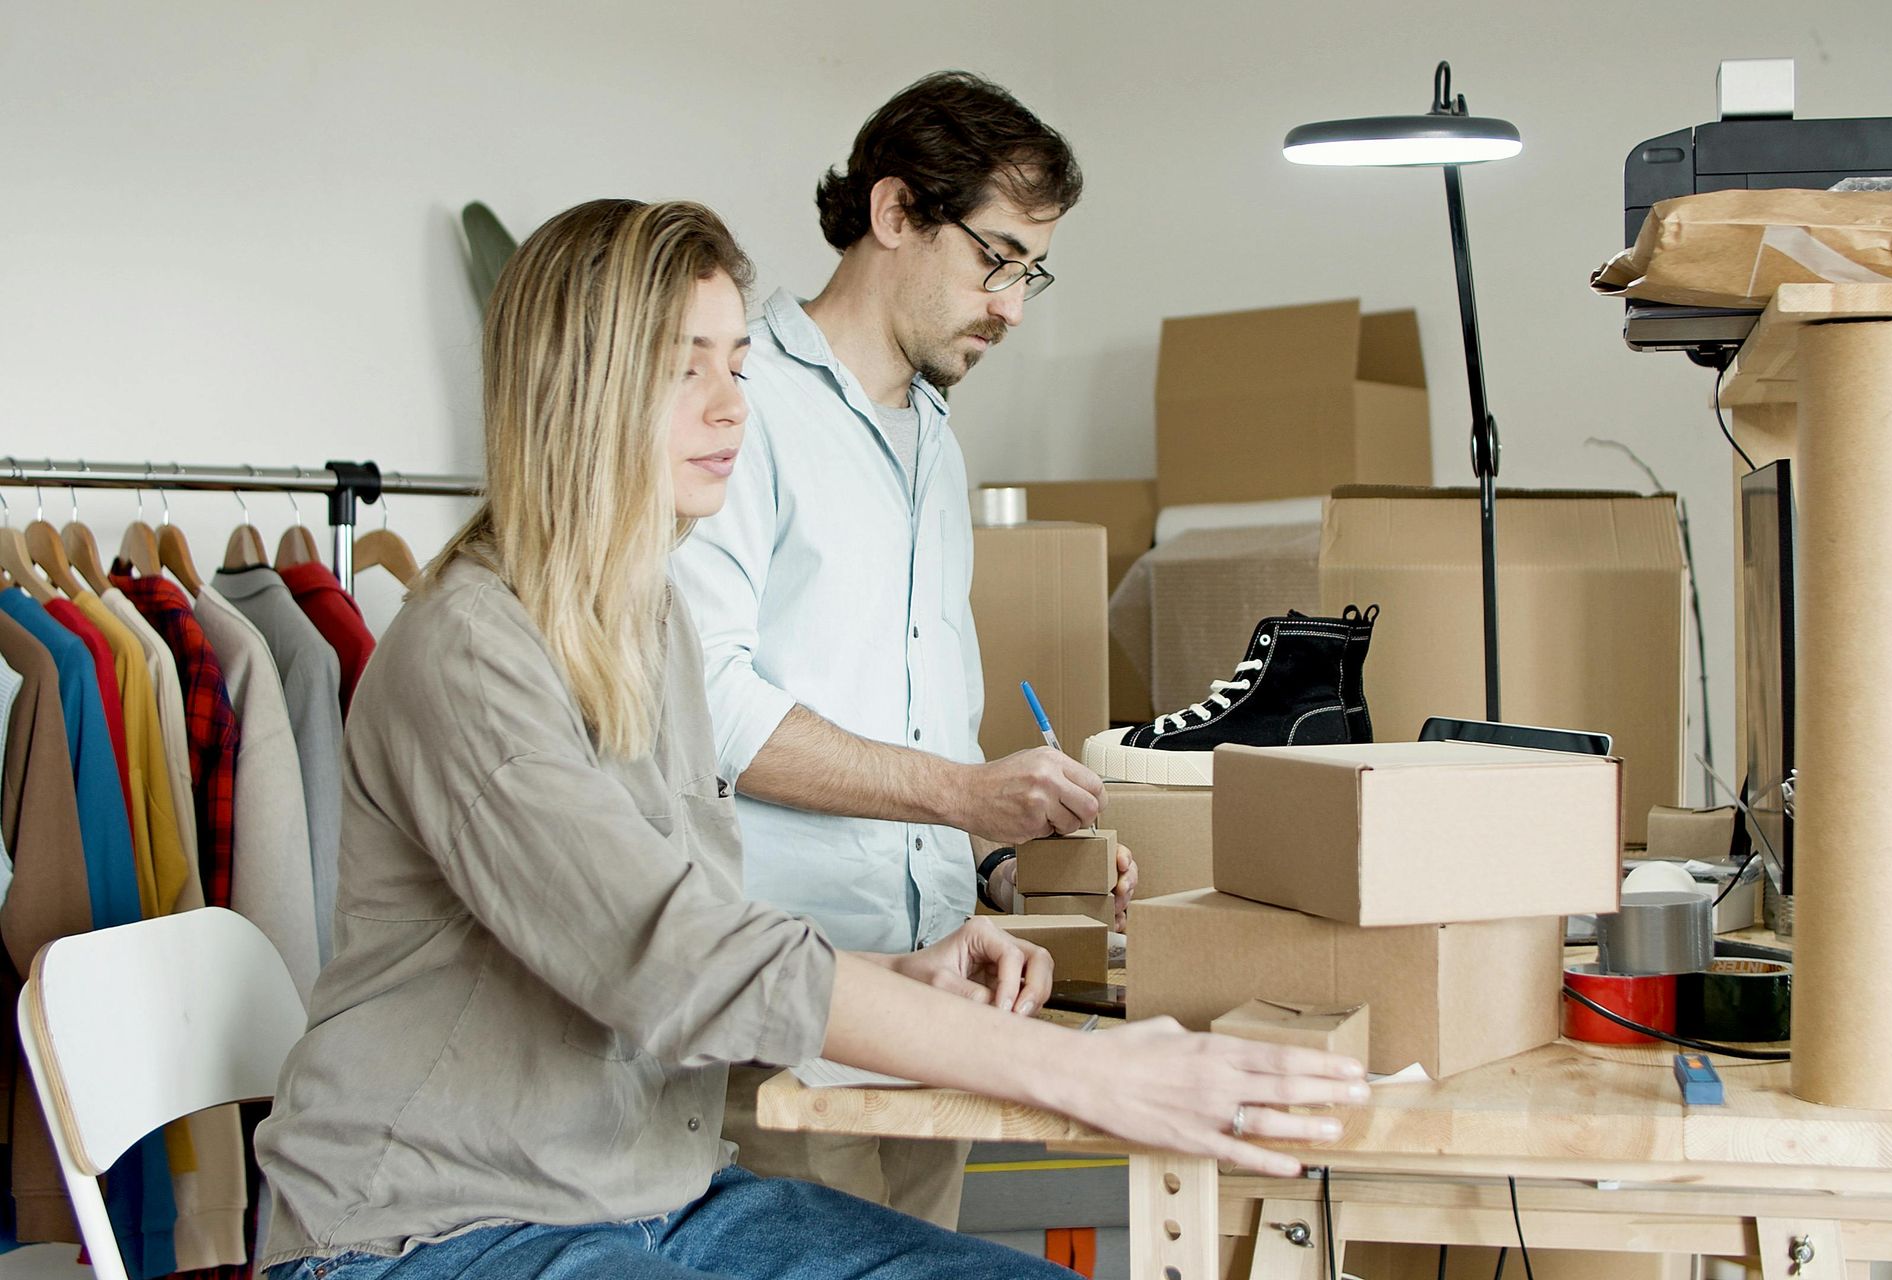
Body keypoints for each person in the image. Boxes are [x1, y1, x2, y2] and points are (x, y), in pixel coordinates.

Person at [254, 198, 1367, 1280]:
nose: (731, 406)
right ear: (575, 391)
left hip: (650, 1198)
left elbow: (684, 936)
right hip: (430, 1229)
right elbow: (673, 952)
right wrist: (1086, 1071)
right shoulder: (466, 653)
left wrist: (896, 970)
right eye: (684, 366)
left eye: (738, 364)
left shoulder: (648, 623)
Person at [672, 71, 1129, 1227]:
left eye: (1032, 272)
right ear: (893, 214)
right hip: (788, 1012)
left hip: (933, 1000)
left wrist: (1005, 860)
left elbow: (909, 719)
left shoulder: (933, 438)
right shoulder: (743, 410)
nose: (1013, 305)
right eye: (997, 258)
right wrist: (970, 790)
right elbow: (708, 708)